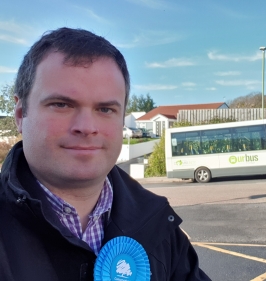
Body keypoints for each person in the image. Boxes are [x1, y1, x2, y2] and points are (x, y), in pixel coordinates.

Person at [0, 27, 211, 281]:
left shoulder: (159, 226)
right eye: (62, 104)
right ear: (21, 114)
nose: (87, 127)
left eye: (105, 109)